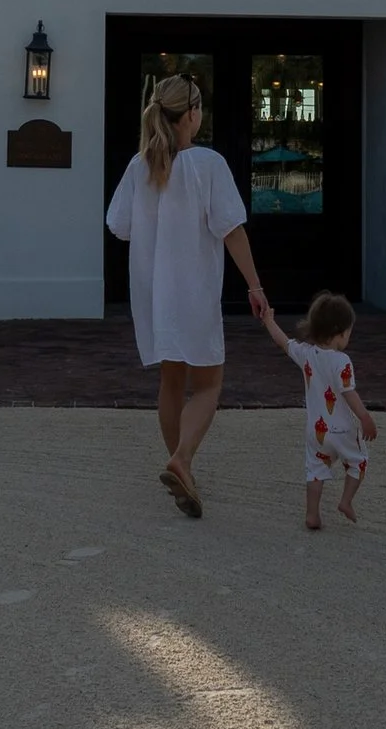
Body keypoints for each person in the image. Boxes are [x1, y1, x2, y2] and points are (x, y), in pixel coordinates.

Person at [105, 74, 269, 519]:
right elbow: (232, 230)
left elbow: (118, 225)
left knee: (171, 383)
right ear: (193, 114)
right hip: (194, 290)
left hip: (154, 294)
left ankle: (183, 466)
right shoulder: (208, 165)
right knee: (210, 382)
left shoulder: (139, 167)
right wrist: (255, 287)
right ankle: (182, 460)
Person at [256, 289, 377, 530]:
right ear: (339, 333)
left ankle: (312, 514)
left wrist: (269, 320)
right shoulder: (342, 361)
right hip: (342, 430)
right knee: (358, 461)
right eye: (348, 332)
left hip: (316, 431)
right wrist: (364, 417)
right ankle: (345, 501)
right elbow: (348, 392)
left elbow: (283, 342)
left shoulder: (306, 354)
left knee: (315, 469)